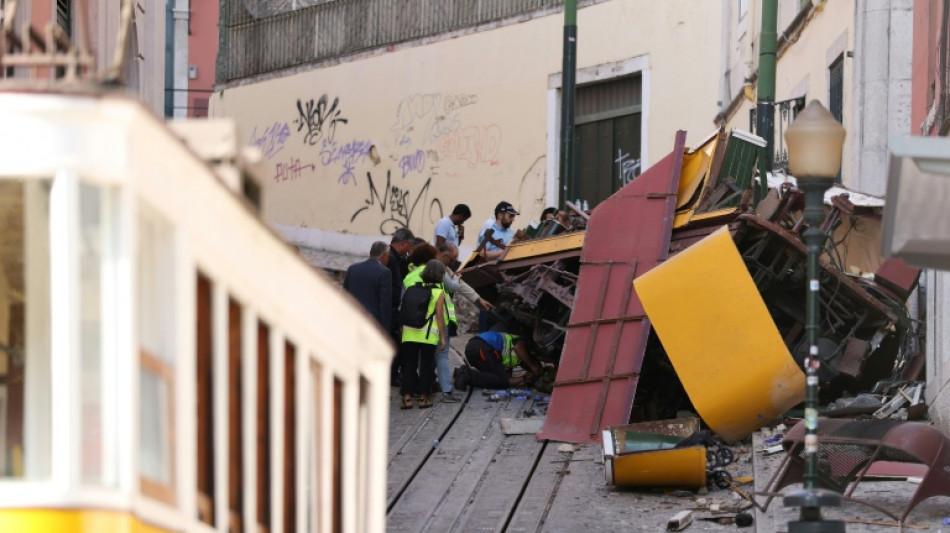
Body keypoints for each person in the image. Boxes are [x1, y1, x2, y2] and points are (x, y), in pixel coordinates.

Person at [432, 242, 493, 401]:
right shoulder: (439, 268)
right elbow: (454, 286)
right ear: (445, 256)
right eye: (452, 260)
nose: (453, 263)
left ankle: (428, 385)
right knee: (442, 354)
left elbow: (461, 286)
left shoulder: (440, 267)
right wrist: (457, 280)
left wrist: (478, 299)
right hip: (437, 318)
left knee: (430, 354)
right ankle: (446, 390)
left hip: (428, 319)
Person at [399, 260, 448, 409]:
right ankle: (423, 398)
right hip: (428, 336)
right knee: (425, 367)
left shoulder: (411, 288)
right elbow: (440, 317)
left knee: (409, 366)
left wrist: (401, 330)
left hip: (409, 333)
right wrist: (443, 337)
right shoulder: (439, 292)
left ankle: (407, 398)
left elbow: (403, 310)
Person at [453, 331, 542, 391]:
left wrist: (525, 379)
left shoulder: (512, 361)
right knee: (501, 381)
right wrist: (532, 367)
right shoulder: (521, 343)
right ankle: (466, 374)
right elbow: (518, 346)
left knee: (494, 380)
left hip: (474, 350)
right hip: (483, 347)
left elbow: (507, 380)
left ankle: (461, 373)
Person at [342, 241, 392, 332]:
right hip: (372, 324)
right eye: (388, 256)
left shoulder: (353, 269)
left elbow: (345, 296)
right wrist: (386, 330)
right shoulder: (384, 272)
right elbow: (385, 303)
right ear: (384, 255)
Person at [388, 227, 415, 384]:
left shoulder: (397, 259)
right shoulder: (391, 258)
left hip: (394, 308)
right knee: (395, 343)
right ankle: (392, 375)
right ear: (404, 244)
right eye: (409, 246)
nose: (410, 250)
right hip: (392, 309)